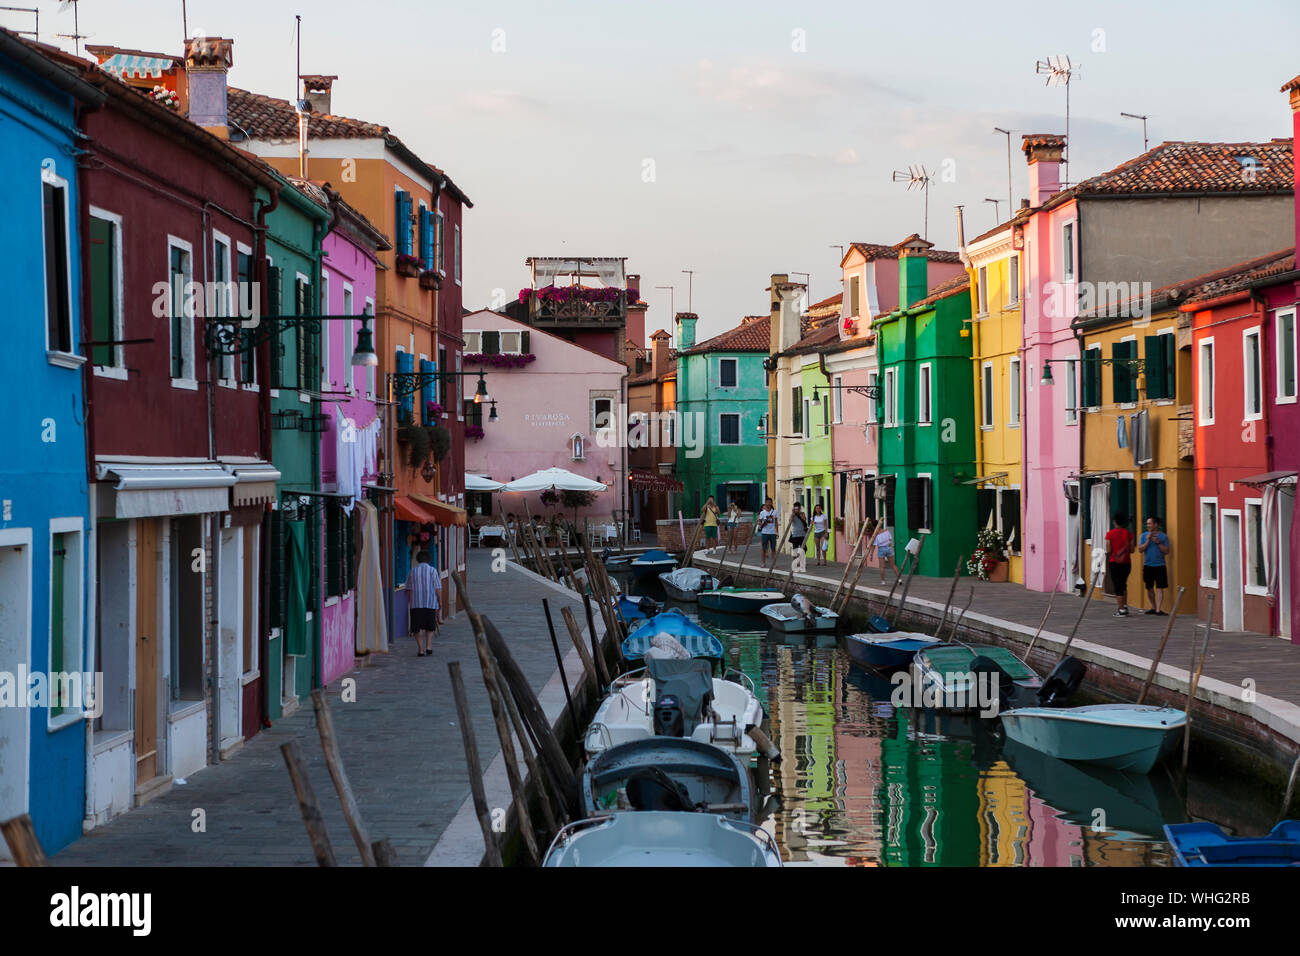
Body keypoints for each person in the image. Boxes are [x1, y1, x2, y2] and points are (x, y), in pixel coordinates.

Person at [405, 549, 441, 656]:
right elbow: (438, 588)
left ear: (418, 560)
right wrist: (440, 601)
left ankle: (420, 649)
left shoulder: (413, 571)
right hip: (430, 603)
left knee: (417, 627)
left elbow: (408, 589)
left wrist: (409, 601)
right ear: (429, 560)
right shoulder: (433, 571)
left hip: (416, 604)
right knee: (430, 626)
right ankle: (428, 647)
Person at [1104, 513, 1136, 617]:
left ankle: (1121, 609)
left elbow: (1108, 550)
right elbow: (1132, 550)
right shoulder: (1129, 534)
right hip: (1126, 563)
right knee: (1123, 584)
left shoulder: (1110, 534)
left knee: (1117, 586)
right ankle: (1124, 605)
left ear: (1114, 521)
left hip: (1115, 562)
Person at [1138, 516, 1171, 615]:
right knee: (1149, 587)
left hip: (1160, 565)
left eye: (1149, 523)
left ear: (1155, 525)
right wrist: (1148, 540)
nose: (1148, 525)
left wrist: (1159, 543)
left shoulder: (1164, 537)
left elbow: (1166, 551)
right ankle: (1153, 606)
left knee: (1160, 587)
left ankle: (1158, 609)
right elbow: (1140, 550)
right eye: (1147, 524)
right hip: (1148, 565)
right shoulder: (1144, 536)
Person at [756, 497, 778, 562]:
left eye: (770, 502)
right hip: (765, 532)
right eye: (767, 502)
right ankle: (763, 562)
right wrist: (761, 523)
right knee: (764, 548)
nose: (768, 504)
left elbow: (776, 522)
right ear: (765, 503)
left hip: (772, 532)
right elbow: (759, 521)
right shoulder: (762, 513)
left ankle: (773, 562)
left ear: (771, 503)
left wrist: (777, 532)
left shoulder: (775, 512)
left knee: (773, 548)